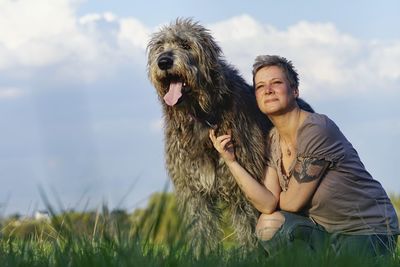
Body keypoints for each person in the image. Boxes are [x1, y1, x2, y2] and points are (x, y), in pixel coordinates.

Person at [209, 55, 399, 257]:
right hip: (325, 231)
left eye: (277, 83)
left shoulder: (317, 129)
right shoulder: (273, 139)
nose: (268, 90)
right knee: (268, 224)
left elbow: (292, 203)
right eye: (260, 86)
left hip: (367, 230)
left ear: (295, 91)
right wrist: (231, 161)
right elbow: (266, 204)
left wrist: (275, 198)